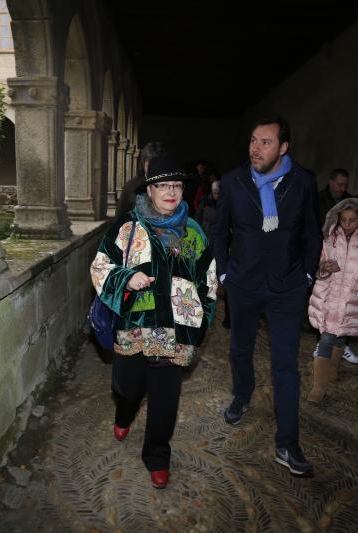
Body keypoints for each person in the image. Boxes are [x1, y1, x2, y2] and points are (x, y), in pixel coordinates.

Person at [89, 154, 218, 490]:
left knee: (165, 397)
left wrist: (200, 322)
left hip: (176, 330)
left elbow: (210, 279)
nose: (171, 192)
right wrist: (125, 279)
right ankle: (125, 410)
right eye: (163, 185)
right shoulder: (127, 227)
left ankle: (157, 455)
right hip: (134, 326)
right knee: (128, 386)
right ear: (150, 188)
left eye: (176, 185)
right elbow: (100, 266)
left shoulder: (193, 233)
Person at [213, 115, 321, 476]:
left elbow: (312, 232)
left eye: (265, 142)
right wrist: (225, 271)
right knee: (239, 349)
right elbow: (220, 230)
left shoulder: (303, 182)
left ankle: (287, 443)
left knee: (285, 364)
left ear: (283, 148)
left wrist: (306, 273)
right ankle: (242, 396)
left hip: (287, 287)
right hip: (243, 283)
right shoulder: (233, 181)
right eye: (253, 141)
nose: (255, 148)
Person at [307, 198, 358, 403]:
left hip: (351, 299)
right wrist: (323, 268)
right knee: (326, 339)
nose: (346, 224)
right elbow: (318, 263)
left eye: (352, 220)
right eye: (343, 220)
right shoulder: (329, 239)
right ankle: (319, 387)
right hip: (329, 297)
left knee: (340, 337)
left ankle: (333, 369)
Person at [313, 168, 358, 365]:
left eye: (345, 185)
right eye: (339, 184)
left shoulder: (350, 202)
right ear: (331, 182)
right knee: (325, 303)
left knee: (346, 307)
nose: (343, 188)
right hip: (325, 250)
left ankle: (341, 345)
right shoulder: (318, 200)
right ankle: (322, 342)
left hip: (347, 260)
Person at [114, 141, 166, 221]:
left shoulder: (173, 187)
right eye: (149, 166)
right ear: (143, 164)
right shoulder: (130, 187)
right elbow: (119, 220)